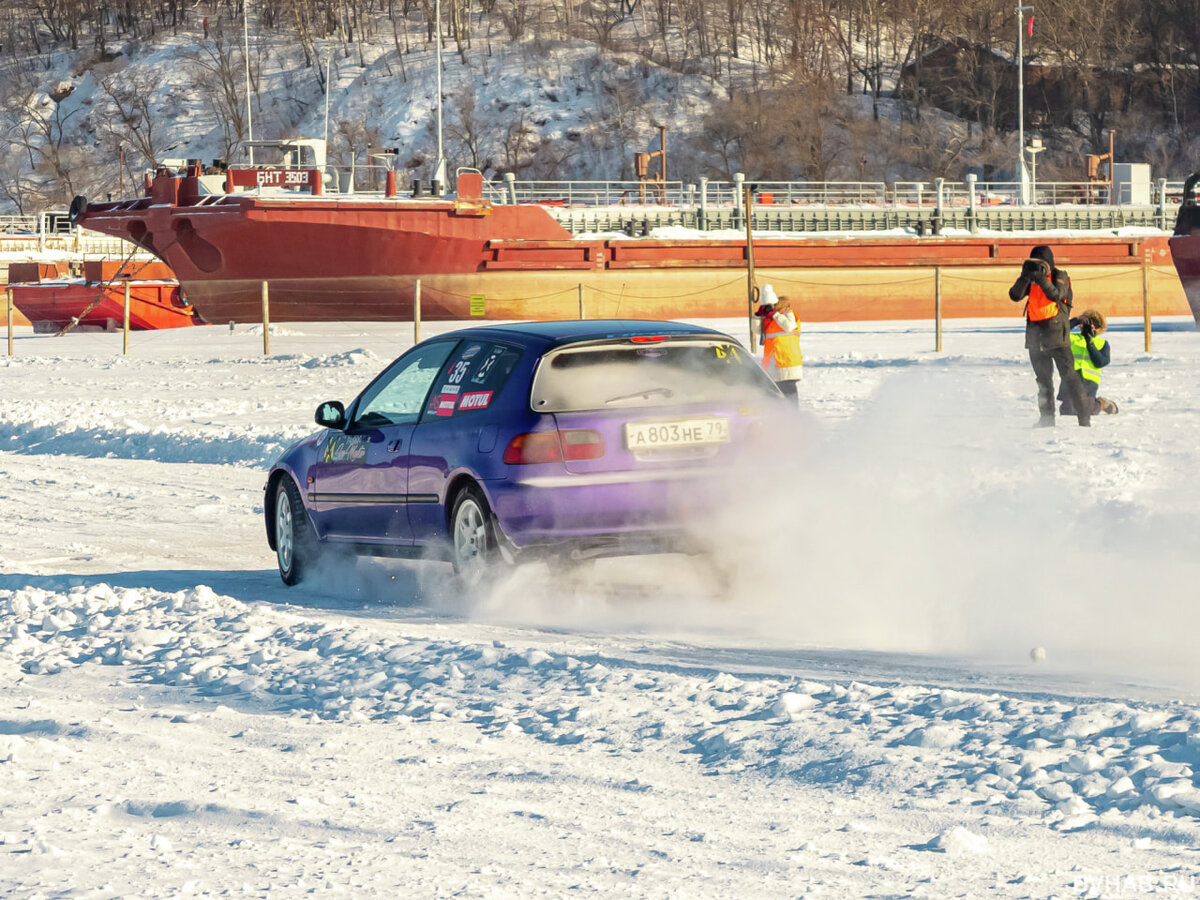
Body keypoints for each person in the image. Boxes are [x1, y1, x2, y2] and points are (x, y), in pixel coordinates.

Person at [1009, 244, 1090, 427]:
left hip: (1057, 338)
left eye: (1041, 263)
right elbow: (1014, 295)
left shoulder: (1060, 276)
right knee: (1043, 382)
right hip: (1035, 338)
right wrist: (1025, 276)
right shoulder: (1031, 279)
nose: (1037, 267)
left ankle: (1084, 419)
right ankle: (1046, 420)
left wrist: (1041, 276)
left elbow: (1056, 295)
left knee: (1070, 378)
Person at [1059, 309, 1118, 416]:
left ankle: (1101, 403)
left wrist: (1089, 342)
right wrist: (1076, 320)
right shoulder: (1071, 338)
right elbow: (1057, 333)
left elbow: (1101, 362)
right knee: (1067, 409)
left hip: (1089, 383)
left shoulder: (1102, 343)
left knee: (1083, 409)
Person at [755, 283, 803, 400]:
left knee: (789, 396)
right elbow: (756, 330)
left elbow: (789, 326)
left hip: (787, 361)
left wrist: (775, 314)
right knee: (773, 398)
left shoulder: (788, 313)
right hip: (772, 363)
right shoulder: (769, 319)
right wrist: (757, 316)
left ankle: (793, 416)